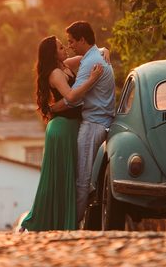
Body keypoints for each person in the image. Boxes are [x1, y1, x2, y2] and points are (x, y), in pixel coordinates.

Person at [19, 35, 104, 231]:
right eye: (60, 47)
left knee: (68, 175)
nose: (65, 48)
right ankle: (47, 220)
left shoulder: (64, 65)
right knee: (62, 176)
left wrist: (104, 51)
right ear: (53, 53)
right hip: (63, 128)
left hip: (69, 125)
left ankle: (61, 220)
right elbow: (72, 96)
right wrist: (93, 79)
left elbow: (88, 56)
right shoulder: (56, 73)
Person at [51, 20, 115, 226]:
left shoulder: (90, 63)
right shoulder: (95, 56)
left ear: (82, 40)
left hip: (93, 124)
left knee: (82, 179)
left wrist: (50, 108)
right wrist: (106, 48)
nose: (70, 46)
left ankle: (72, 223)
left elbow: (73, 99)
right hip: (99, 121)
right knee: (83, 178)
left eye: (71, 42)